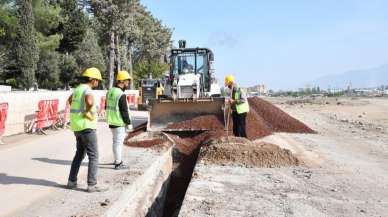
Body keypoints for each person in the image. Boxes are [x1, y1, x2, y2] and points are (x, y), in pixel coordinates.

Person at [67, 67, 108, 193]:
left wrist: (82, 111)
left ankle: (71, 181)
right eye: (97, 80)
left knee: (79, 155)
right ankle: (92, 185)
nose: (98, 83)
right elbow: (89, 101)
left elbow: (69, 101)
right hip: (87, 127)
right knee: (94, 156)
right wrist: (86, 110)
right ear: (92, 79)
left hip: (77, 127)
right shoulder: (87, 90)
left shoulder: (77, 89)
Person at [106, 70, 132, 170]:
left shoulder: (110, 91)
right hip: (119, 122)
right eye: (127, 81)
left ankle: (116, 160)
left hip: (111, 121)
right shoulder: (121, 94)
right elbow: (124, 111)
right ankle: (118, 163)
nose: (128, 83)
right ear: (121, 81)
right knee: (118, 143)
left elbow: (106, 106)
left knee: (115, 142)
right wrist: (128, 123)